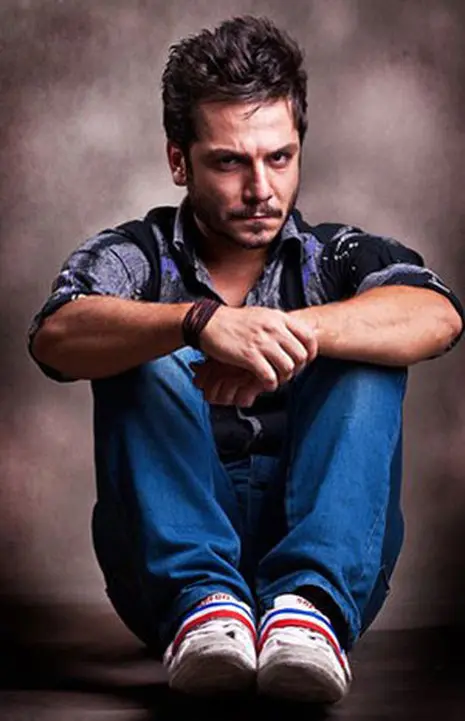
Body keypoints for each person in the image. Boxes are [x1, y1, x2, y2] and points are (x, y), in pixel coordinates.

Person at [28, 15, 463, 704]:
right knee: (139, 342)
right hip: (164, 573)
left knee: (366, 345)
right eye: (230, 162)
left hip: (332, 558)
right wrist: (197, 325)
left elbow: (437, 315)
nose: (261, 188)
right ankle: (205, 605)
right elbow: (56, 335)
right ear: (180, 162)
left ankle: (307, 608)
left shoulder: (338, 255)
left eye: (279, 158)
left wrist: (286, 335)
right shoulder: (133, 254)